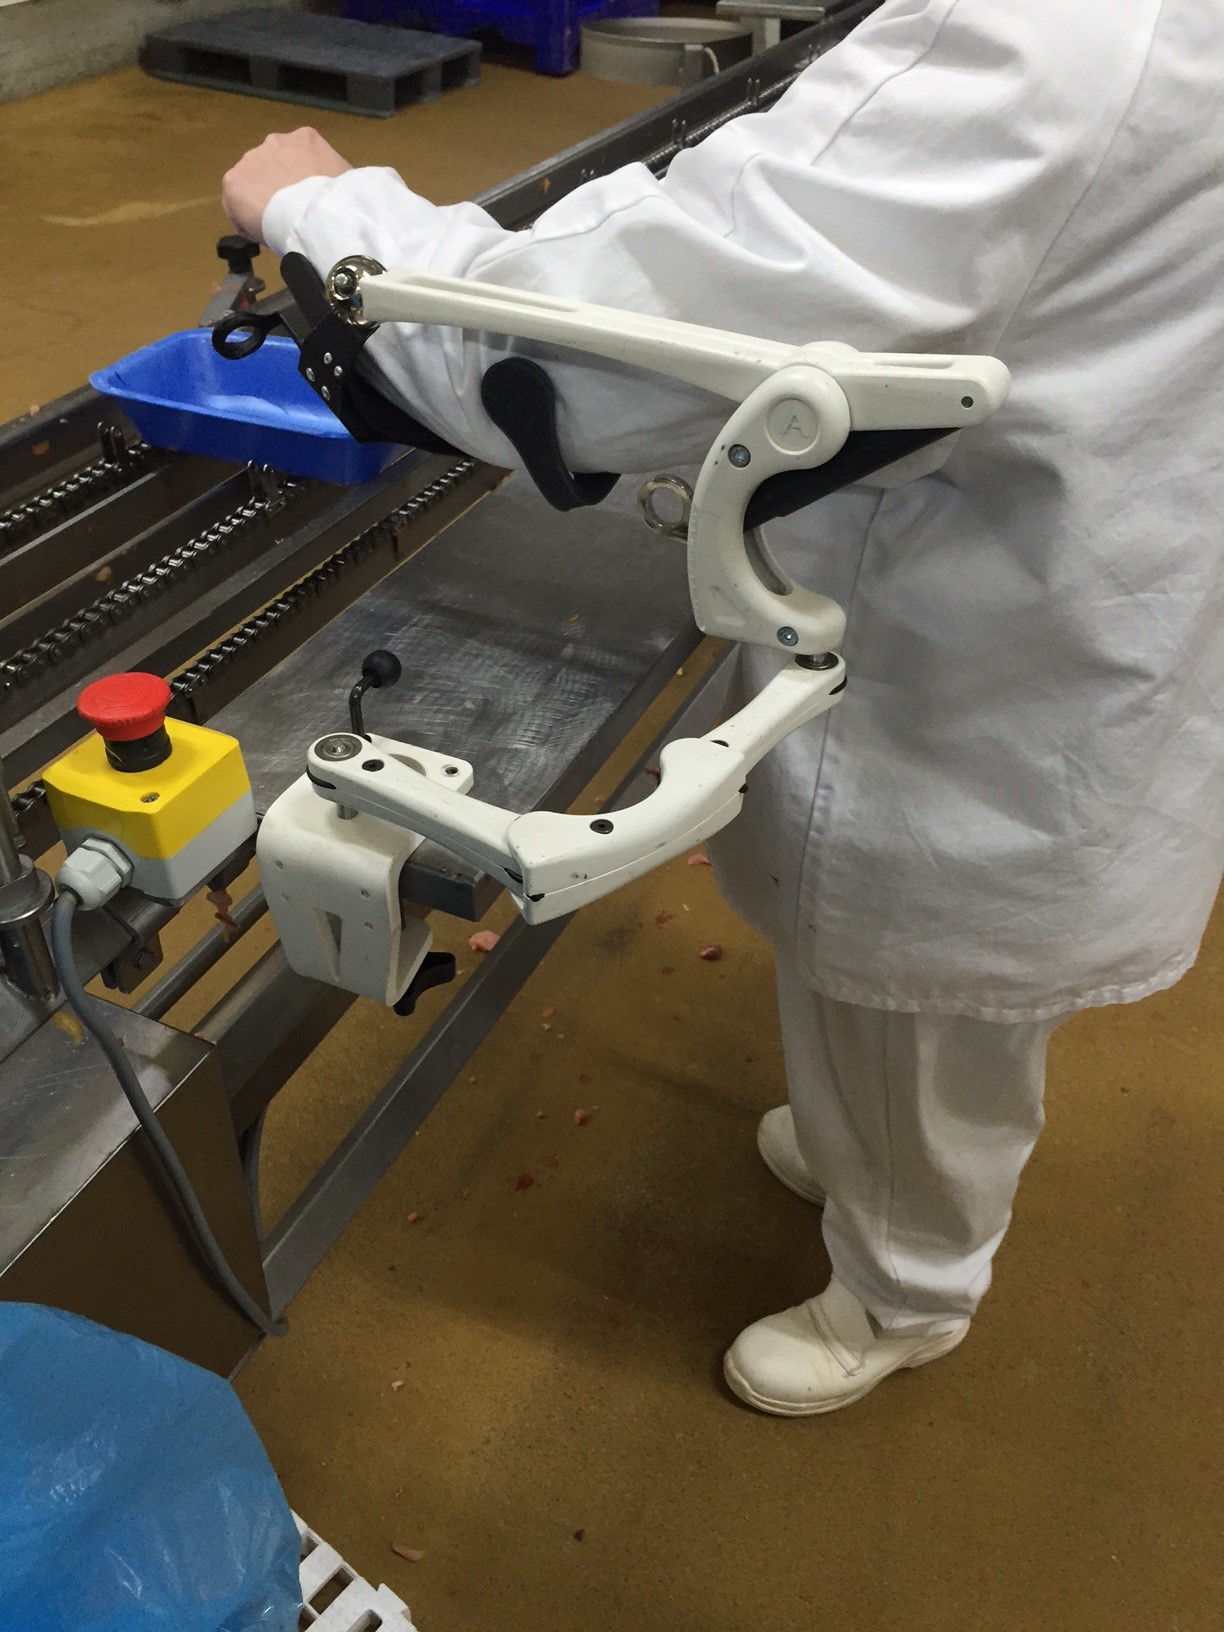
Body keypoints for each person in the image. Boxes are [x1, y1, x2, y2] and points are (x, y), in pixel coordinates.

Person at [222, 0, 1223, 1416]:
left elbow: (586, 358)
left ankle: (906, 1289)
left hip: (996, 663)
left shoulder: (1050, 40)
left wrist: (325, 213)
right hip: (1100, 558)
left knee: (929, 1014)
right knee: (882, 998)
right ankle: (862, 1148)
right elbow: (794, 217)